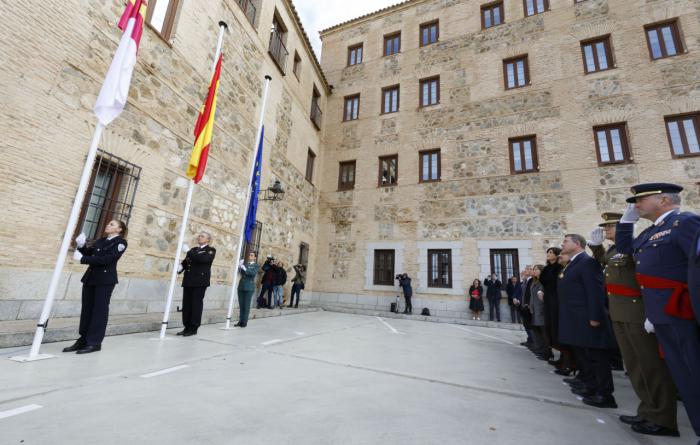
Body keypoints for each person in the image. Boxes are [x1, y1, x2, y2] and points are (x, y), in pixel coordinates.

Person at [616, 183, 700, 440]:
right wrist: (626, 223)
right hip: (661, 314)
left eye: (641, 199)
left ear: (663, 200)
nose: (636, 205)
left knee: (695, 374)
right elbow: (625, 249)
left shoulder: (684, 222)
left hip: (682, 311)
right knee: (685, 377)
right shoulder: (652, 231)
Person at [589, 211, 678, 436]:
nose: (606, 230)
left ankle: (663, 418)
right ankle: (647, 410)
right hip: (620, 312)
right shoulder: (613, 251)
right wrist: (597, 248)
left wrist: (652, 311)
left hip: (637, 311)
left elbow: (641, 273)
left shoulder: (635, 246)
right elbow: (605, 264)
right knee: (635, 366)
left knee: (651, 366)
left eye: (610, 227)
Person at [558, 234, 617, 409]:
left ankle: (605, 395)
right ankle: (591, 387)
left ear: (577, 244)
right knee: (585, 356)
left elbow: (595, 292)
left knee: (597, 358)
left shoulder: (587, 262)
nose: (562, 244)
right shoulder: (574, 263)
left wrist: (595, 316)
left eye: (566, 241)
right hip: (577, 319)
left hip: (587, 319)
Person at [62, 220, 128, 354]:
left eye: (112, 224)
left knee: (99, 312)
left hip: (104, 280)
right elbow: (89, 253)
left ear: (119, 230)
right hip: (91, 278)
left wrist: (82, 259)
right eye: (108, 223)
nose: (107, 225)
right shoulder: (102, 240)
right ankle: (83, 339)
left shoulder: (120, 243)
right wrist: (80, 246)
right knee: (87, 310)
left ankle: (94, 342)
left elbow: (106, 260)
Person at [177, 232, 216, 337]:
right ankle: (186, 326)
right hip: (188, 280)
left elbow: (203, 259)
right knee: (186, 305)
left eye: (202, 236)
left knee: (196, 305)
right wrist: (180, 267)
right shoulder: (194, 250)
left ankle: (193, 328)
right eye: (199, 235)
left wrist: (188, 251)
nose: (199, 237)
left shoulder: (210, 250)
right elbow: (187, 261)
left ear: (208, 240)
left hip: (200, 281)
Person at [540, 248, 562, 362]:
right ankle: (549, 351)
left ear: (557, 255)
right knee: (548, 325)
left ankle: (560, 353)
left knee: (555, 324)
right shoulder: (546, 268)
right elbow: (543, 280)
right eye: (547, 252)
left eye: (551, 252)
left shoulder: (560, 268)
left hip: (556, 298)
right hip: (548, 298)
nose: (548, 254)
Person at [529, 265, 549, 360]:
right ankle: (541, 349)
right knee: (538, 331)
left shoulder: (543, 281)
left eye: (536, 269)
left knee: (544, 332)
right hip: (535, 309)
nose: (534, 271)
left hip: (541, 309)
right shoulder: (535, 281)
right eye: (534, 269)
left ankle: (546, 352)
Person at [235, 252, 260, 327]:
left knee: (246, 305)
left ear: (255, 258)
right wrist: (239, 266)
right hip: (241, 286)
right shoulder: (245, 264)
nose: (250, 256)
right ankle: (240, 320)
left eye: (251, 255)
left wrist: (245, 269)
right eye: (249, 255)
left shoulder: (256, 265)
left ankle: (244, 321)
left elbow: (252, 274)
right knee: (241, 304)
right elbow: (239, 273)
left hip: (249, 287)